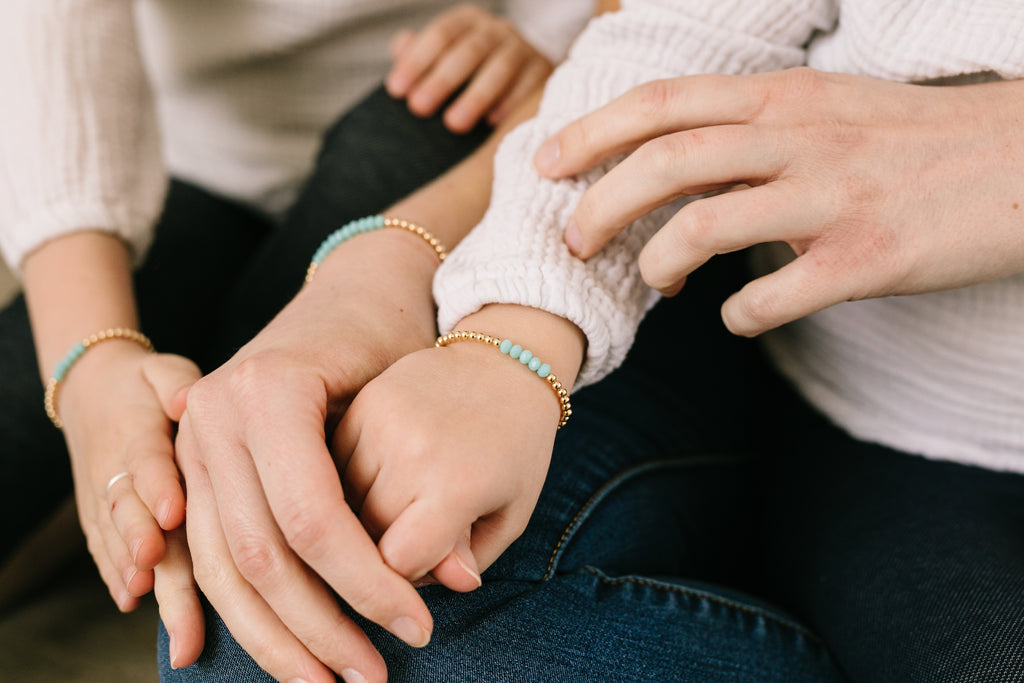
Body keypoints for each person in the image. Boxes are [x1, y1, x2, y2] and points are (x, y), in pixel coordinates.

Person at [164, 0, 1024, 681]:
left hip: (960, 456)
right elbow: (684, 30)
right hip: (839, 377)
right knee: (282, 618)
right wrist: (506, 345)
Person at [0, 0, 590, 665]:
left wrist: (561, 63)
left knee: (246, 517)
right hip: (198, 162)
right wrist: (90, 369)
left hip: (440, 125)